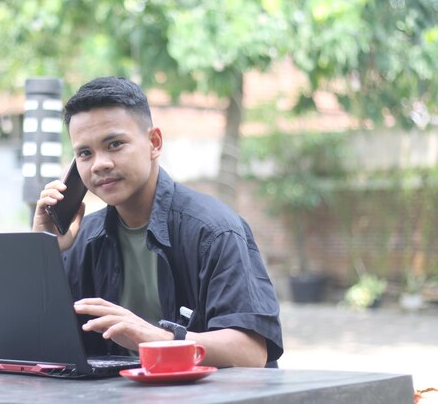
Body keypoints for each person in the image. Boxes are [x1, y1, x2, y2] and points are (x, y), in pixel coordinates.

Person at [32, 76, 283, 368]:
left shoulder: (214, 230)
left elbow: (249, 353)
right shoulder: (82, 238)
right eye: (85, 153)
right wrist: (43, 251)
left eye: (114, 144)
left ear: (154, 143)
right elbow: (32, 342)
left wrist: (158, 338)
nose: (99, 163)